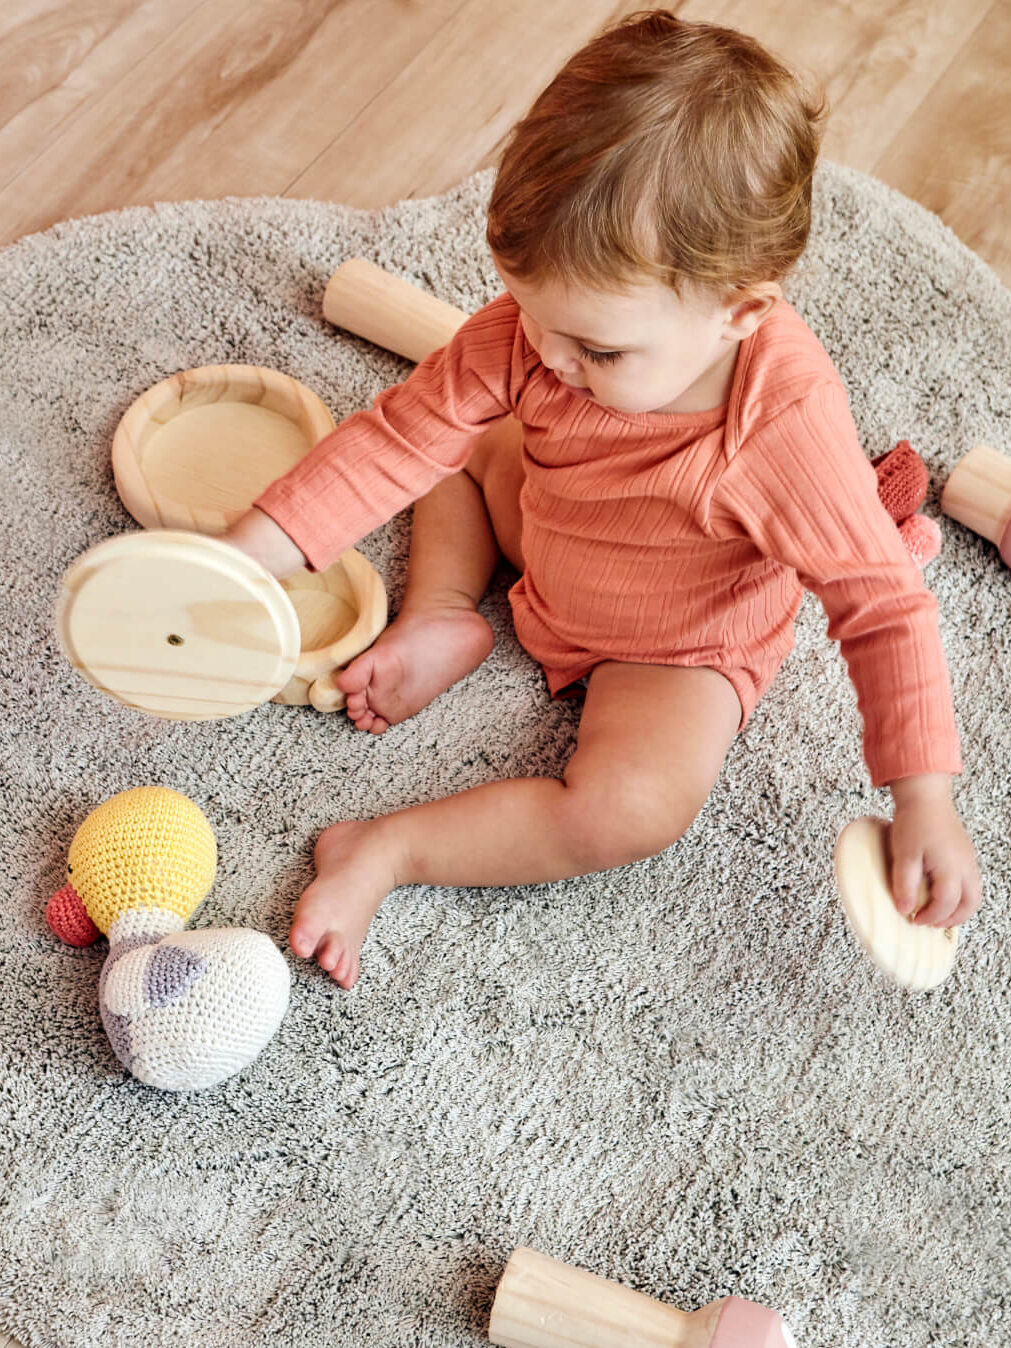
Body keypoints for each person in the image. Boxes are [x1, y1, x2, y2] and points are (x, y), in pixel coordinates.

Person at [223, 10, 980, 989]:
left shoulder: (785, 430)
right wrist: (241, 564)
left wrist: (923, 795)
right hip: (544, 519)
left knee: (632, 809)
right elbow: (400, 437)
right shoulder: (539, 335)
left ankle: (388, 849)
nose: (545, 353)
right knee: (447, 444)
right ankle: (446, 612)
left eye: (600, 347)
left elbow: (883, 604)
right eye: (533, 314)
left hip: (669, 644)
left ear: (739, 312)